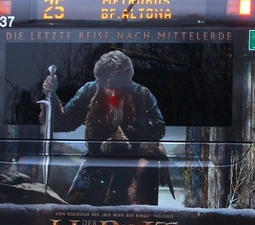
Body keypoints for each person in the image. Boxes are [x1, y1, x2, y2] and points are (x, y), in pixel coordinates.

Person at [42, 50, 166, 206]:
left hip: (131, 164)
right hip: (96, 162)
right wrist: (52, 95)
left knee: (131, 212)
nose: (113, 94)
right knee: (78, 208)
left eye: (117, 88)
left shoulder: (141, 94)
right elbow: (63, 122)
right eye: (108, 88)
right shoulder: (89, 91)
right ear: (101, 81)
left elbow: (158, 127)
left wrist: (124, 134)